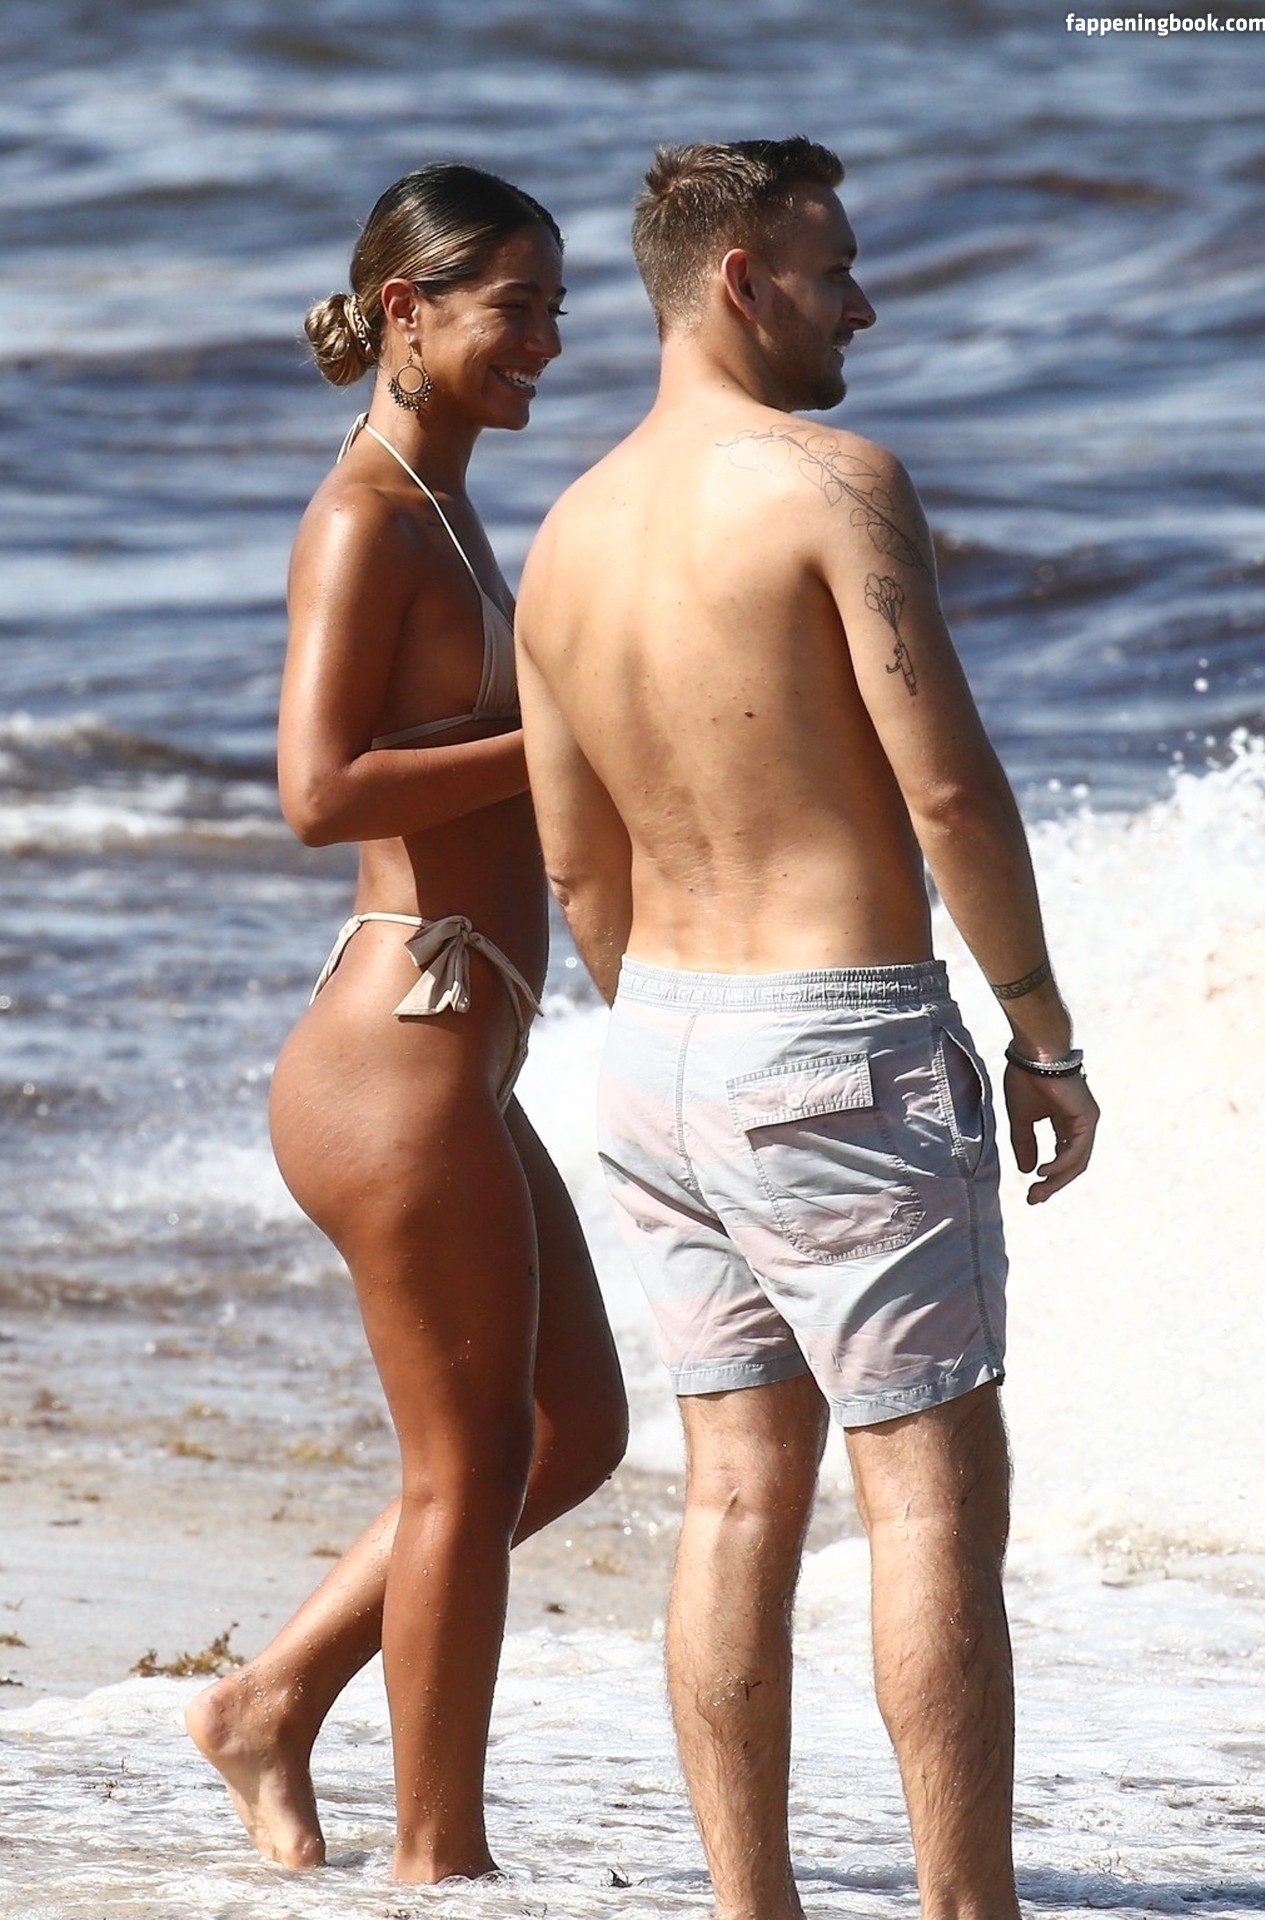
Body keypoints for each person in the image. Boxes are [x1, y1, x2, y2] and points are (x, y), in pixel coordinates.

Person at [515, 137, 1100, 1920]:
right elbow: (951, 794)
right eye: (836, 270)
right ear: (741, 282)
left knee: (733, 1500)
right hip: (835, 1038)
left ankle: (750, 1905)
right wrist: (1043, 1035)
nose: (866, 304)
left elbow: (576, 865)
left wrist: (684, 1047)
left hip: (657, 1051)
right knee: (929, 1506)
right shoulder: (833, 485)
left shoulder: (566, 534)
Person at [184, 163, 627, 1886]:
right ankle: (442, 1869)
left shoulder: (446, 504)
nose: (548, 342)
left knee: (568, 1433)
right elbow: (317, 790)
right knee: (465, 1470)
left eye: (558, 308)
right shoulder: (364, 515)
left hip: (462, 1050)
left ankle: (272, 1699)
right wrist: (562, 738)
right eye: (516, 308)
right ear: (407, 312)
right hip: (397, 1046)